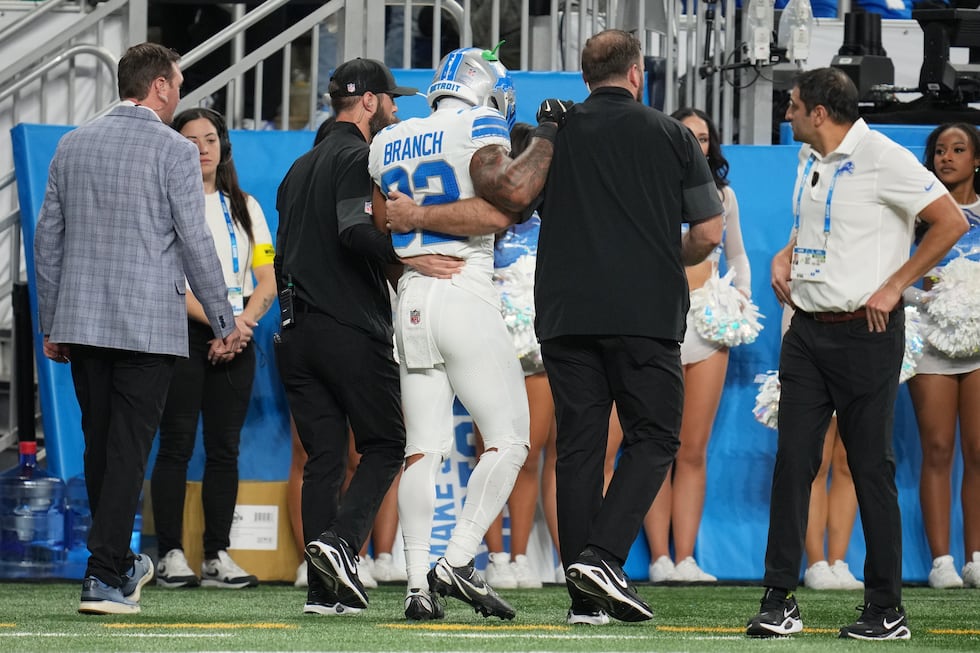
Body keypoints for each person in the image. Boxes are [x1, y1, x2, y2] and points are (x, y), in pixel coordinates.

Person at [745, 67, 967, 640]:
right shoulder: (810, 159)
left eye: (792, 106)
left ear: (820, 112)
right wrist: (784, 255)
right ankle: (778, 599)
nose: (786, 114)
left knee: (871, 469)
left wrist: (896, 284)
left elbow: (950, 221)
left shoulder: (885, 156)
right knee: (794, 463)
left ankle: (886, 609)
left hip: (867, 335)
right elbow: (816, 226)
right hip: (807, 334)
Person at [34, 42, 241, 615]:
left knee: (102, 446)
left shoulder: (72, 144)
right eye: (177, 83)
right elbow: (195, 240)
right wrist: (222, 318)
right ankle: (103, 575)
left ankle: (117, 565)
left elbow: (47, 241)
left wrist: (51, 320)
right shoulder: (172, 150)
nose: (178, 93)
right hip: (147, 325)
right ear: (160, 88)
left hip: (81, 321)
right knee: (127, 448)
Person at [533, 29, 724, 624]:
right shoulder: (670, 133)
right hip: (644, 314)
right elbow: (710, 232)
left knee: (580, 449)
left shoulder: (555, 134)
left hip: (565, 315)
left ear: (584, 76)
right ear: (637, 73)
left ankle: (583, 599)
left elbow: (517, 201)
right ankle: (603, 557)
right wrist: (674, 257)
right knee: (656, 437)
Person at [368, 46, 562, 621]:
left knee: (422, 447)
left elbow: (383, 224)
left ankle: (415, 589)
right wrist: (546, 136)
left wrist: (413, 241)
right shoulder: (477, 122)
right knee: (510, 440)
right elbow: (509, 205)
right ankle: (454, 560)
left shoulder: (388, 138)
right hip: (465, 287)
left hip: (412, 296)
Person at [275, 58, 457, 616]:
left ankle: (321, 590)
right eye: (392, 100)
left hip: (294, 334)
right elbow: (356, 231)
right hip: (347, 327)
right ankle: (339, 546)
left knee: (324, 457)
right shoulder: (360, 156)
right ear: (371, 103)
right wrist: (413, 255)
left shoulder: (298, 168)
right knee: (385, 444)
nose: (398, 110)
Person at [150, 107, 278, 590]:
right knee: (176, 446)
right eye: (190, 139)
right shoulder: (165, 203)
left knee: (224, 450)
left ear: (223, 146)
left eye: (210, 139)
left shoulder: (246, 205)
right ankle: (169, 555)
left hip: (238, 335)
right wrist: (221, 323)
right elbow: (168, 282)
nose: (202, 149)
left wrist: (242, 324)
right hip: (181, 333)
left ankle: (216, 555)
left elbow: (266, 278)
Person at [643, 107, 750, 584]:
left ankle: (685, 557)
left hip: (707, 324)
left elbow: (737, 254)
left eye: (704, 137)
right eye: (687, 135)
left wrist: (739, 298)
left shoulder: (723, 195)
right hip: (657, 318)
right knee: (653, 445)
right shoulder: (647, 186)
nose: (696, 143)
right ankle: (659, 557)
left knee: (692, 449)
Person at [478, 122, 560, 591]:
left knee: (528, 456)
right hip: (489, 346)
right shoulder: (485, 218)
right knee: (491, 451)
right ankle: (493, 557)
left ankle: (519, 554)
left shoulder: (554, 220)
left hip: (539, 348)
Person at [908, 122, 980, 590]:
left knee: (979, 451)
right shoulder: (915, 215)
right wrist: (929, 299)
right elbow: (897, 279)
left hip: (979, 343)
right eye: (939, 151)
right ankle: (941, 562)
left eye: (958, 149)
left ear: (977, 160)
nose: (947, 157)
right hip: (930, 342)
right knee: (937, 450)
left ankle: (976, 557)